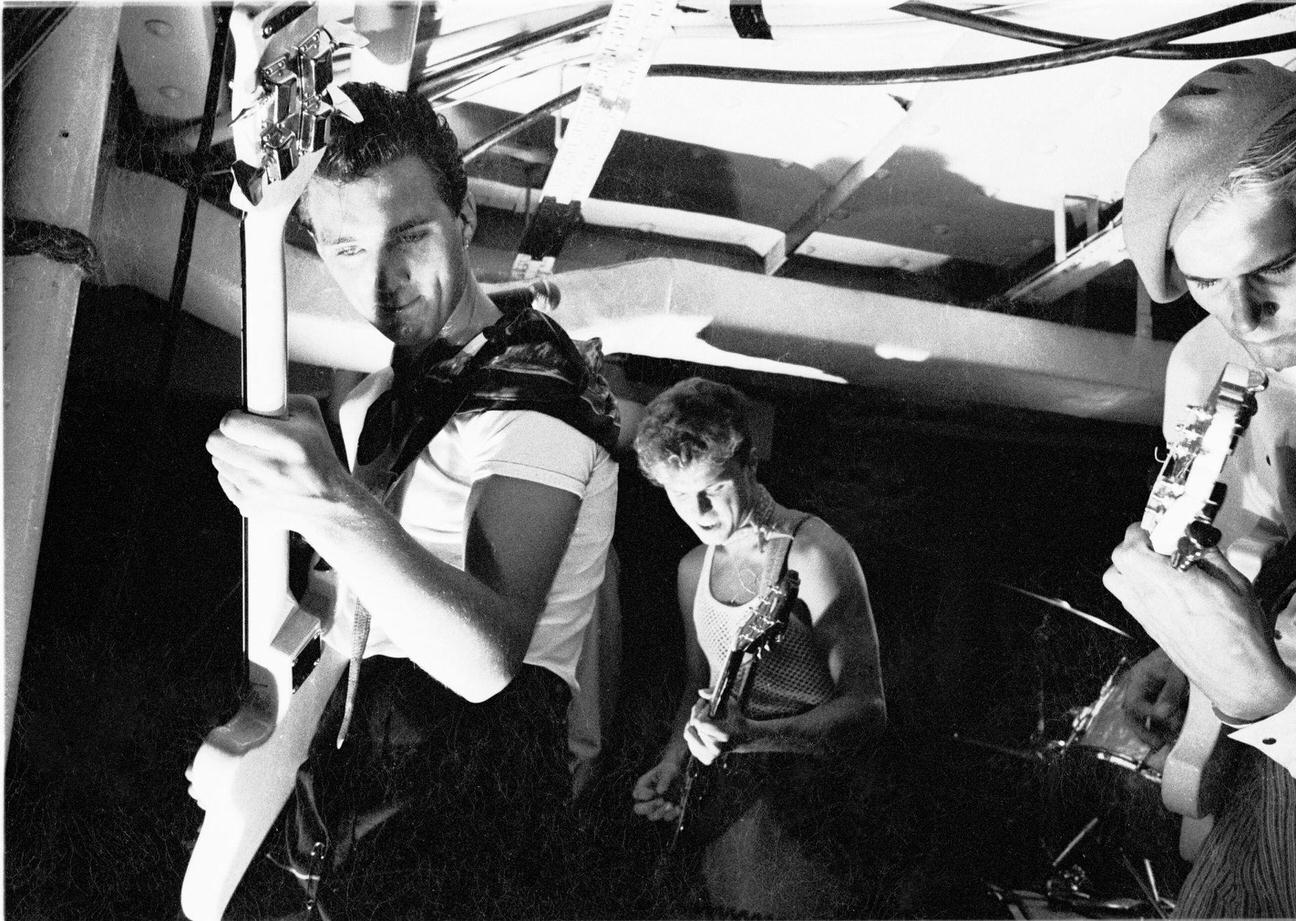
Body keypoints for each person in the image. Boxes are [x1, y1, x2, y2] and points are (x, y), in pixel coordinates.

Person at [205, 81, 620, 918]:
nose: (384, 279)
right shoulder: (385, 396)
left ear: (465, 217)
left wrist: (327, 500)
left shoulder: (532, 389)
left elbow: (486, 660)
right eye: (346, 249)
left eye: (409, 235)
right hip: (363, 777)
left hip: (476, 794)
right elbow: (351, 615)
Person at [1102, 59, 1296, 917]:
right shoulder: (1201, 363)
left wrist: (1267, 691)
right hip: (1240, 785)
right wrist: (1185, 651)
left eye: (1272, 266)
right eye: (1204, 284)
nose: (1244, 320)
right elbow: (1244, 556)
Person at [629, 377, 887, 918]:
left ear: (748, 462)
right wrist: (674, 758)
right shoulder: (692, 568)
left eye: (713, 488)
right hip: (726, 805)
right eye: (678, 495)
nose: (697, 511)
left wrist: (756, 737)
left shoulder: (815, 555)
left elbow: (868, 709)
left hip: (809, 808)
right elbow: (697, 691)